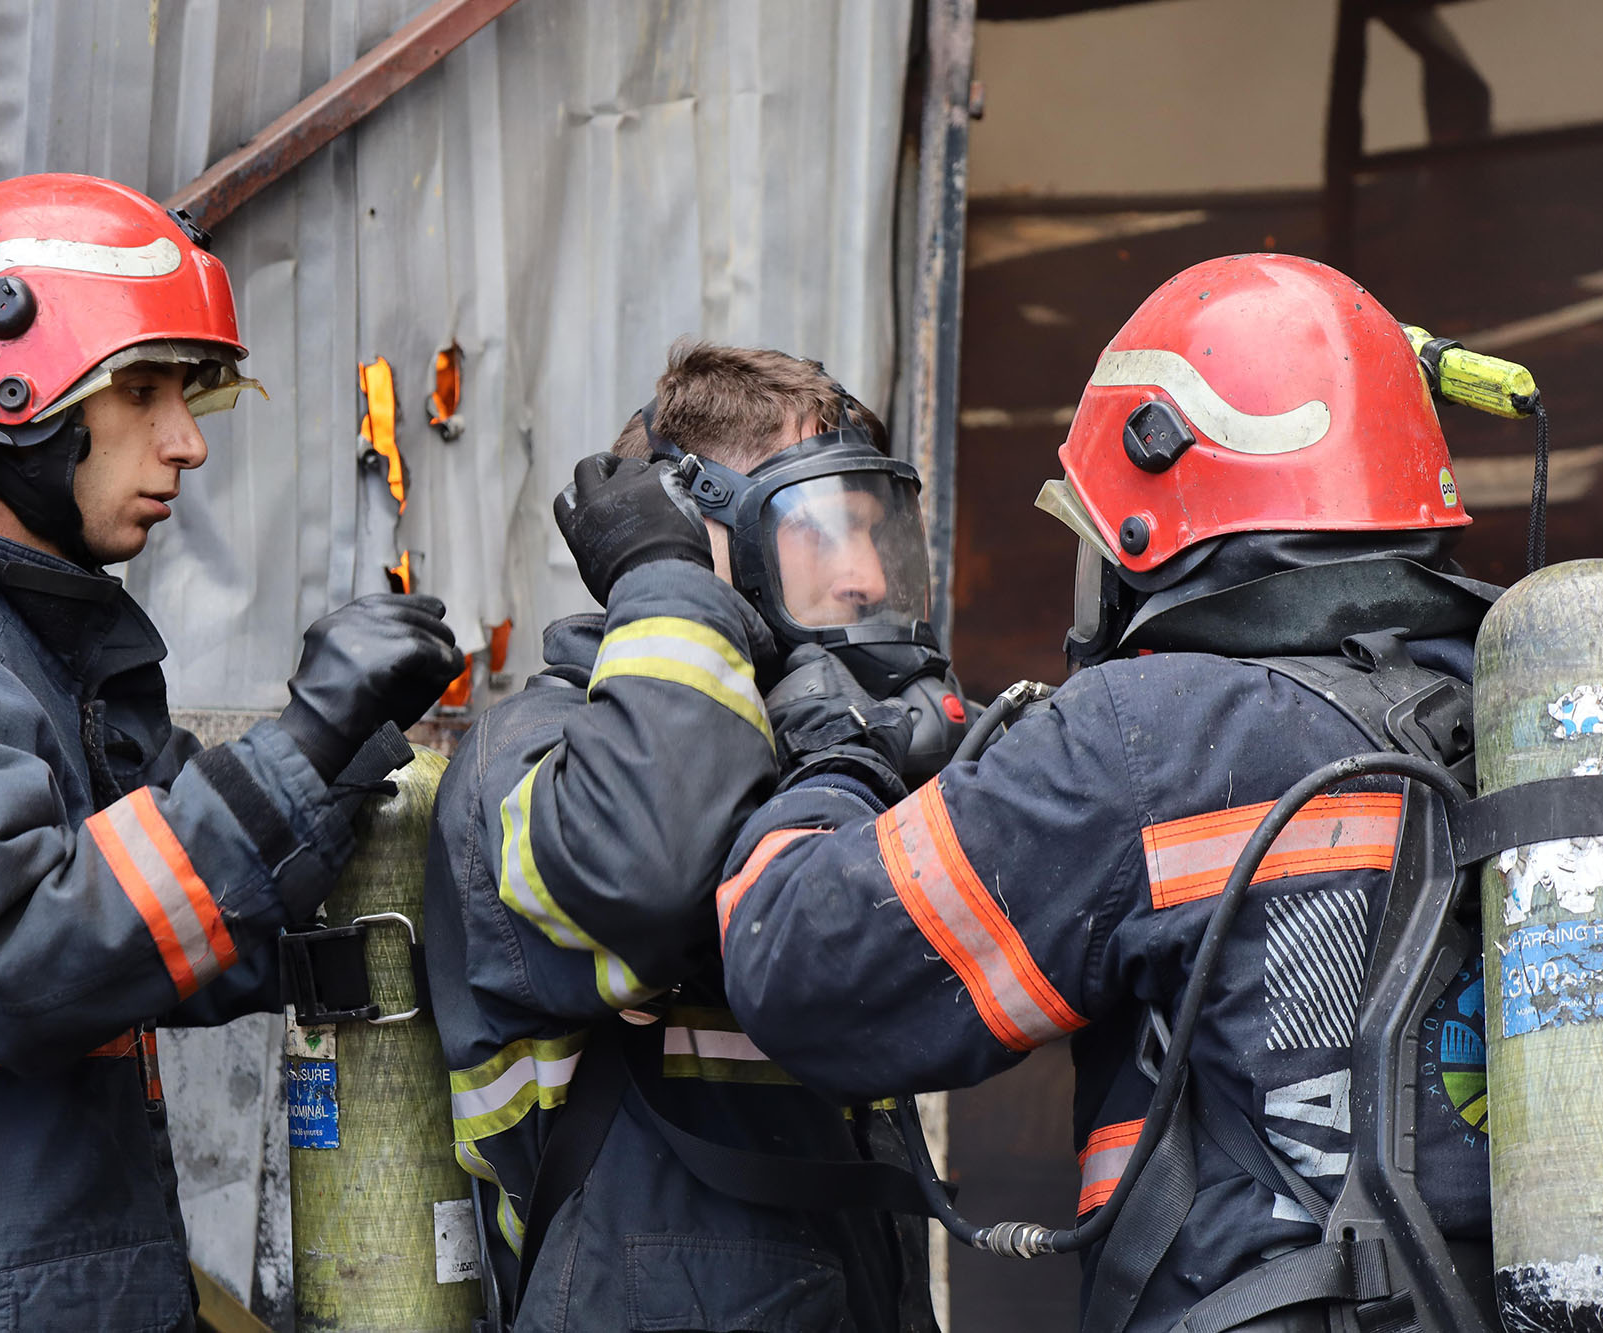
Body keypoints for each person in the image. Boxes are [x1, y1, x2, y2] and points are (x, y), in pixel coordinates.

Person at [687, 255, 1498, 1331]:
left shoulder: (1146, 737)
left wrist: (841, 751)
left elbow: (804, 967)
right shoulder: (1525, 708)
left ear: (1146, 519)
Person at [0, 173, 465, 1332]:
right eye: (141, 391)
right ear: (14, 402)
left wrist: (343, 771)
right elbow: (32, 955)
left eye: (188, 397)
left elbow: (181, 928)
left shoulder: (44, 650)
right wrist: (304, 742)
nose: (185, 442)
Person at [422, 342, 943, 1333]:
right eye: (828, 530)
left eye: (875, 533)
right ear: (695, 525)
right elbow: (651, 870)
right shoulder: (532, 758)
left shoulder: (818, 757)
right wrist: (667, 582)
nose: (869, 576)